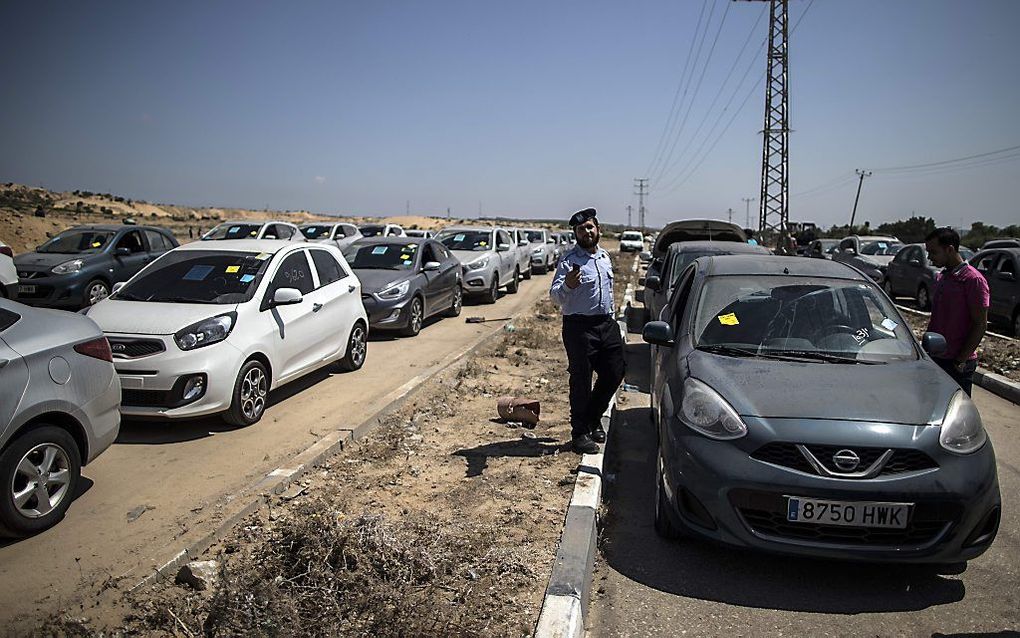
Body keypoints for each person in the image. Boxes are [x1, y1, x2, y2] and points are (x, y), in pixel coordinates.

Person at [550, 208, 626, 454]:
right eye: (581, 229)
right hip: (579, 327)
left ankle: (593, 418)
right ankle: (580, 433)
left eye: (590, 227)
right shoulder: (569, 260)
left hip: (606, 323)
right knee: (581, 381)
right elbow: (555, 297)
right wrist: (568, 286)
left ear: (598, 230)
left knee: (615, 371)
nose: (586, 232)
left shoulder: (604, 257)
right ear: (575, 234)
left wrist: (613, 317)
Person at [924, 227, 989, 396]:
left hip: (956, 364)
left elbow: (980, 324)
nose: (929, 257)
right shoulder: (942, 277)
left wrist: (960, 360)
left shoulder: (973, 280)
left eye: (933, 252)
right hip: (936, 358)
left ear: (950, 249)